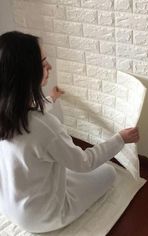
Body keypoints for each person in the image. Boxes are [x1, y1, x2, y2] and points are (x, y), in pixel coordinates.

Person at [0, 31, 139, 233]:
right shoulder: (45, 126)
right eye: (43, 62)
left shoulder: (8, 112)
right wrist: (119, 139)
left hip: (10, 206)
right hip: (43, 217)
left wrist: (51, 99)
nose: (49, 67)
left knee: (64, 168)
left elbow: (29, 121)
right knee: (109, 172)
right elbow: (83, 162)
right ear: (26, 73)